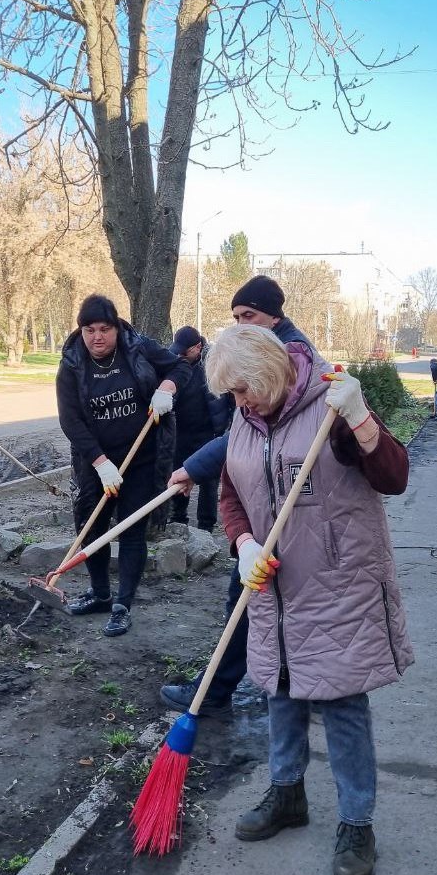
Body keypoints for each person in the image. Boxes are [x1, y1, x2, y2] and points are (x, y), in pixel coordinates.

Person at [207, 323, 413, 875]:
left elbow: (393, 476)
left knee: (342, 703)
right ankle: (288, 793)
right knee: (279, 691)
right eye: (231, 395)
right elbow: (231, 495)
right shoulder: (244, 420)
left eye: (244, 390)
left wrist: (362, 419)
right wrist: (243, 544)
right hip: (273, 588)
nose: (239, 402)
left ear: (271, 374)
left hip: (337, 587)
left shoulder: (330, 405)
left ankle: (356, 825)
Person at [160, 275, 314, 714]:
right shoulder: (266, 351)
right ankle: (301, 683)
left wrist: (194, 466)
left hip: (283, 507)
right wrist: (194, 469)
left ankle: (215, 692)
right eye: (236, 318)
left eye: (250, 316)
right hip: (269, 501)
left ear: (274, 315)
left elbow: (243, 435)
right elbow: (243, 433)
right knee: (253, 598)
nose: (242, 325)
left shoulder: (289, 355)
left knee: (249, 600)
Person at [55, 294, 190, 637]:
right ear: (80, 331)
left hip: (141, 461)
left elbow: (181, 365)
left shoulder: (137, 347)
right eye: (89, 330)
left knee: (131, 531)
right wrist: (100, 463)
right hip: (95, 464)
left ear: (116, 327)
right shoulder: (72, 364)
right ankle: (100, 593)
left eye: (104, 329)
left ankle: (122, 605)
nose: (97, 337)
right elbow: (71, 421)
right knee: (91, 526)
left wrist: (167, 388)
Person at [168, 325, 233, 531]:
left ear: (197, 347)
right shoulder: (176, 362)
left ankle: (206, 525)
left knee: (209, 481)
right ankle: (178, 519)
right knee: (178, 473)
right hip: (181, 431)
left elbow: (230, 397)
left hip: (208, 431)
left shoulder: (214, 362)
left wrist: (226, 425)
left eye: (184, 351)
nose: (180, 355)